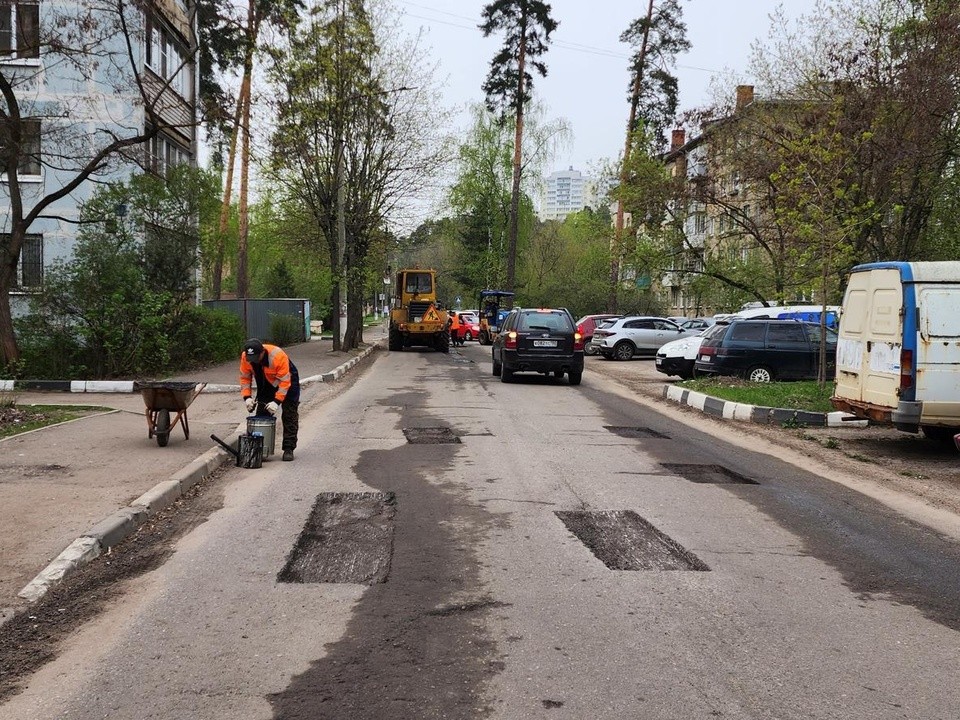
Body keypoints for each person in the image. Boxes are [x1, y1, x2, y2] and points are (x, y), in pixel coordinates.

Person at [240, 339, 300, 462]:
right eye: (251, 358)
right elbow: (245, 378)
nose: (254, 361)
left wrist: (276, 402)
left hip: (288, 380)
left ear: (262, 352)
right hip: (267, 383)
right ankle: (259, 448)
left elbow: (284, 382)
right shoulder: (246, 357)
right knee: (261, 415)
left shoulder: (278, 356)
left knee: (289, 414)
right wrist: (247, 397)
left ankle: (288, 448)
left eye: (256, 357)